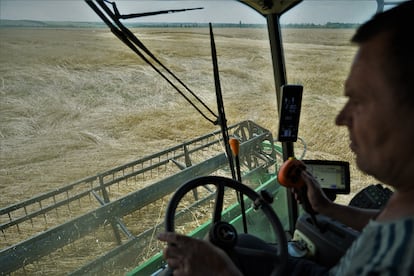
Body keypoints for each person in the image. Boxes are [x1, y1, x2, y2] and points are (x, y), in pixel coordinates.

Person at [158, 1, 414, 275]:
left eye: (360, 100)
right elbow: (384, 220)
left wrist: (221, 271)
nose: (341, 118)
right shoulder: (405, 205)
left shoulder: (395, 261)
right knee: (245, 243)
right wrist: (328, 209)